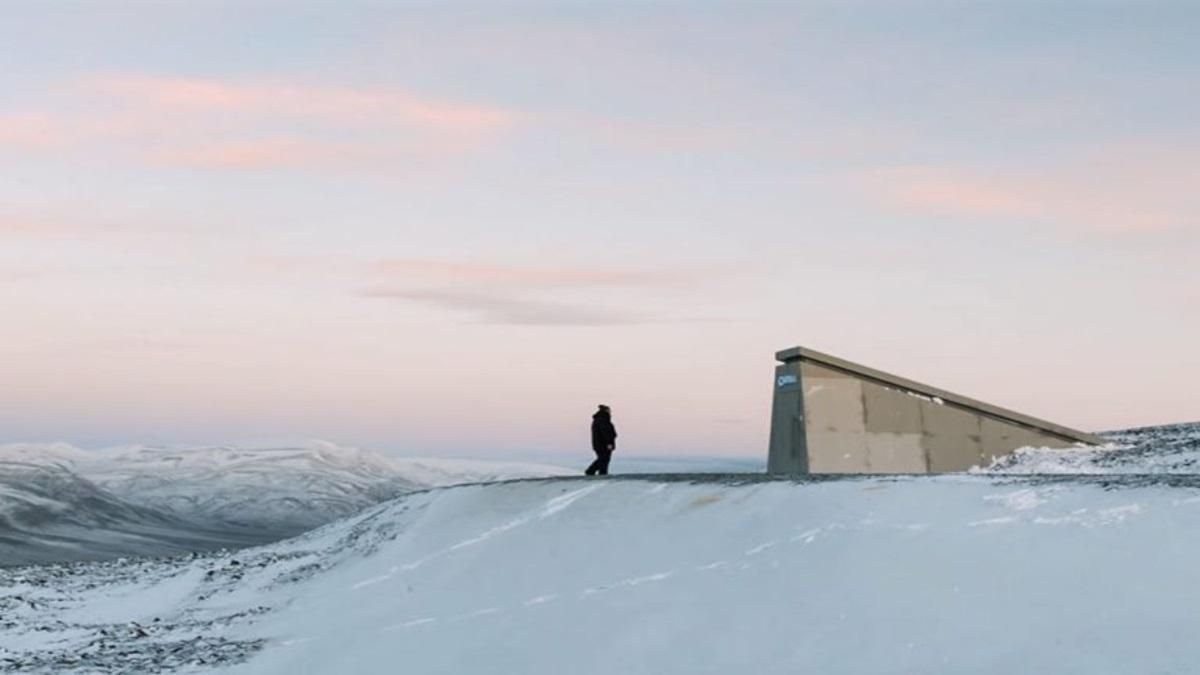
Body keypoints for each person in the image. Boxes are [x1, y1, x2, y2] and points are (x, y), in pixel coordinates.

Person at [585, 404, 617, 476]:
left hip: (599, 444)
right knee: (604, 459)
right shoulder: (603, 420)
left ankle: (597, 472)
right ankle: (596, 472)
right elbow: (606, 432)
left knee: (603, 459)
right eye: (609, 410)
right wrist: (609, 443)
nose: (610, 412)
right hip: (603, 444)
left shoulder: (600, 419)